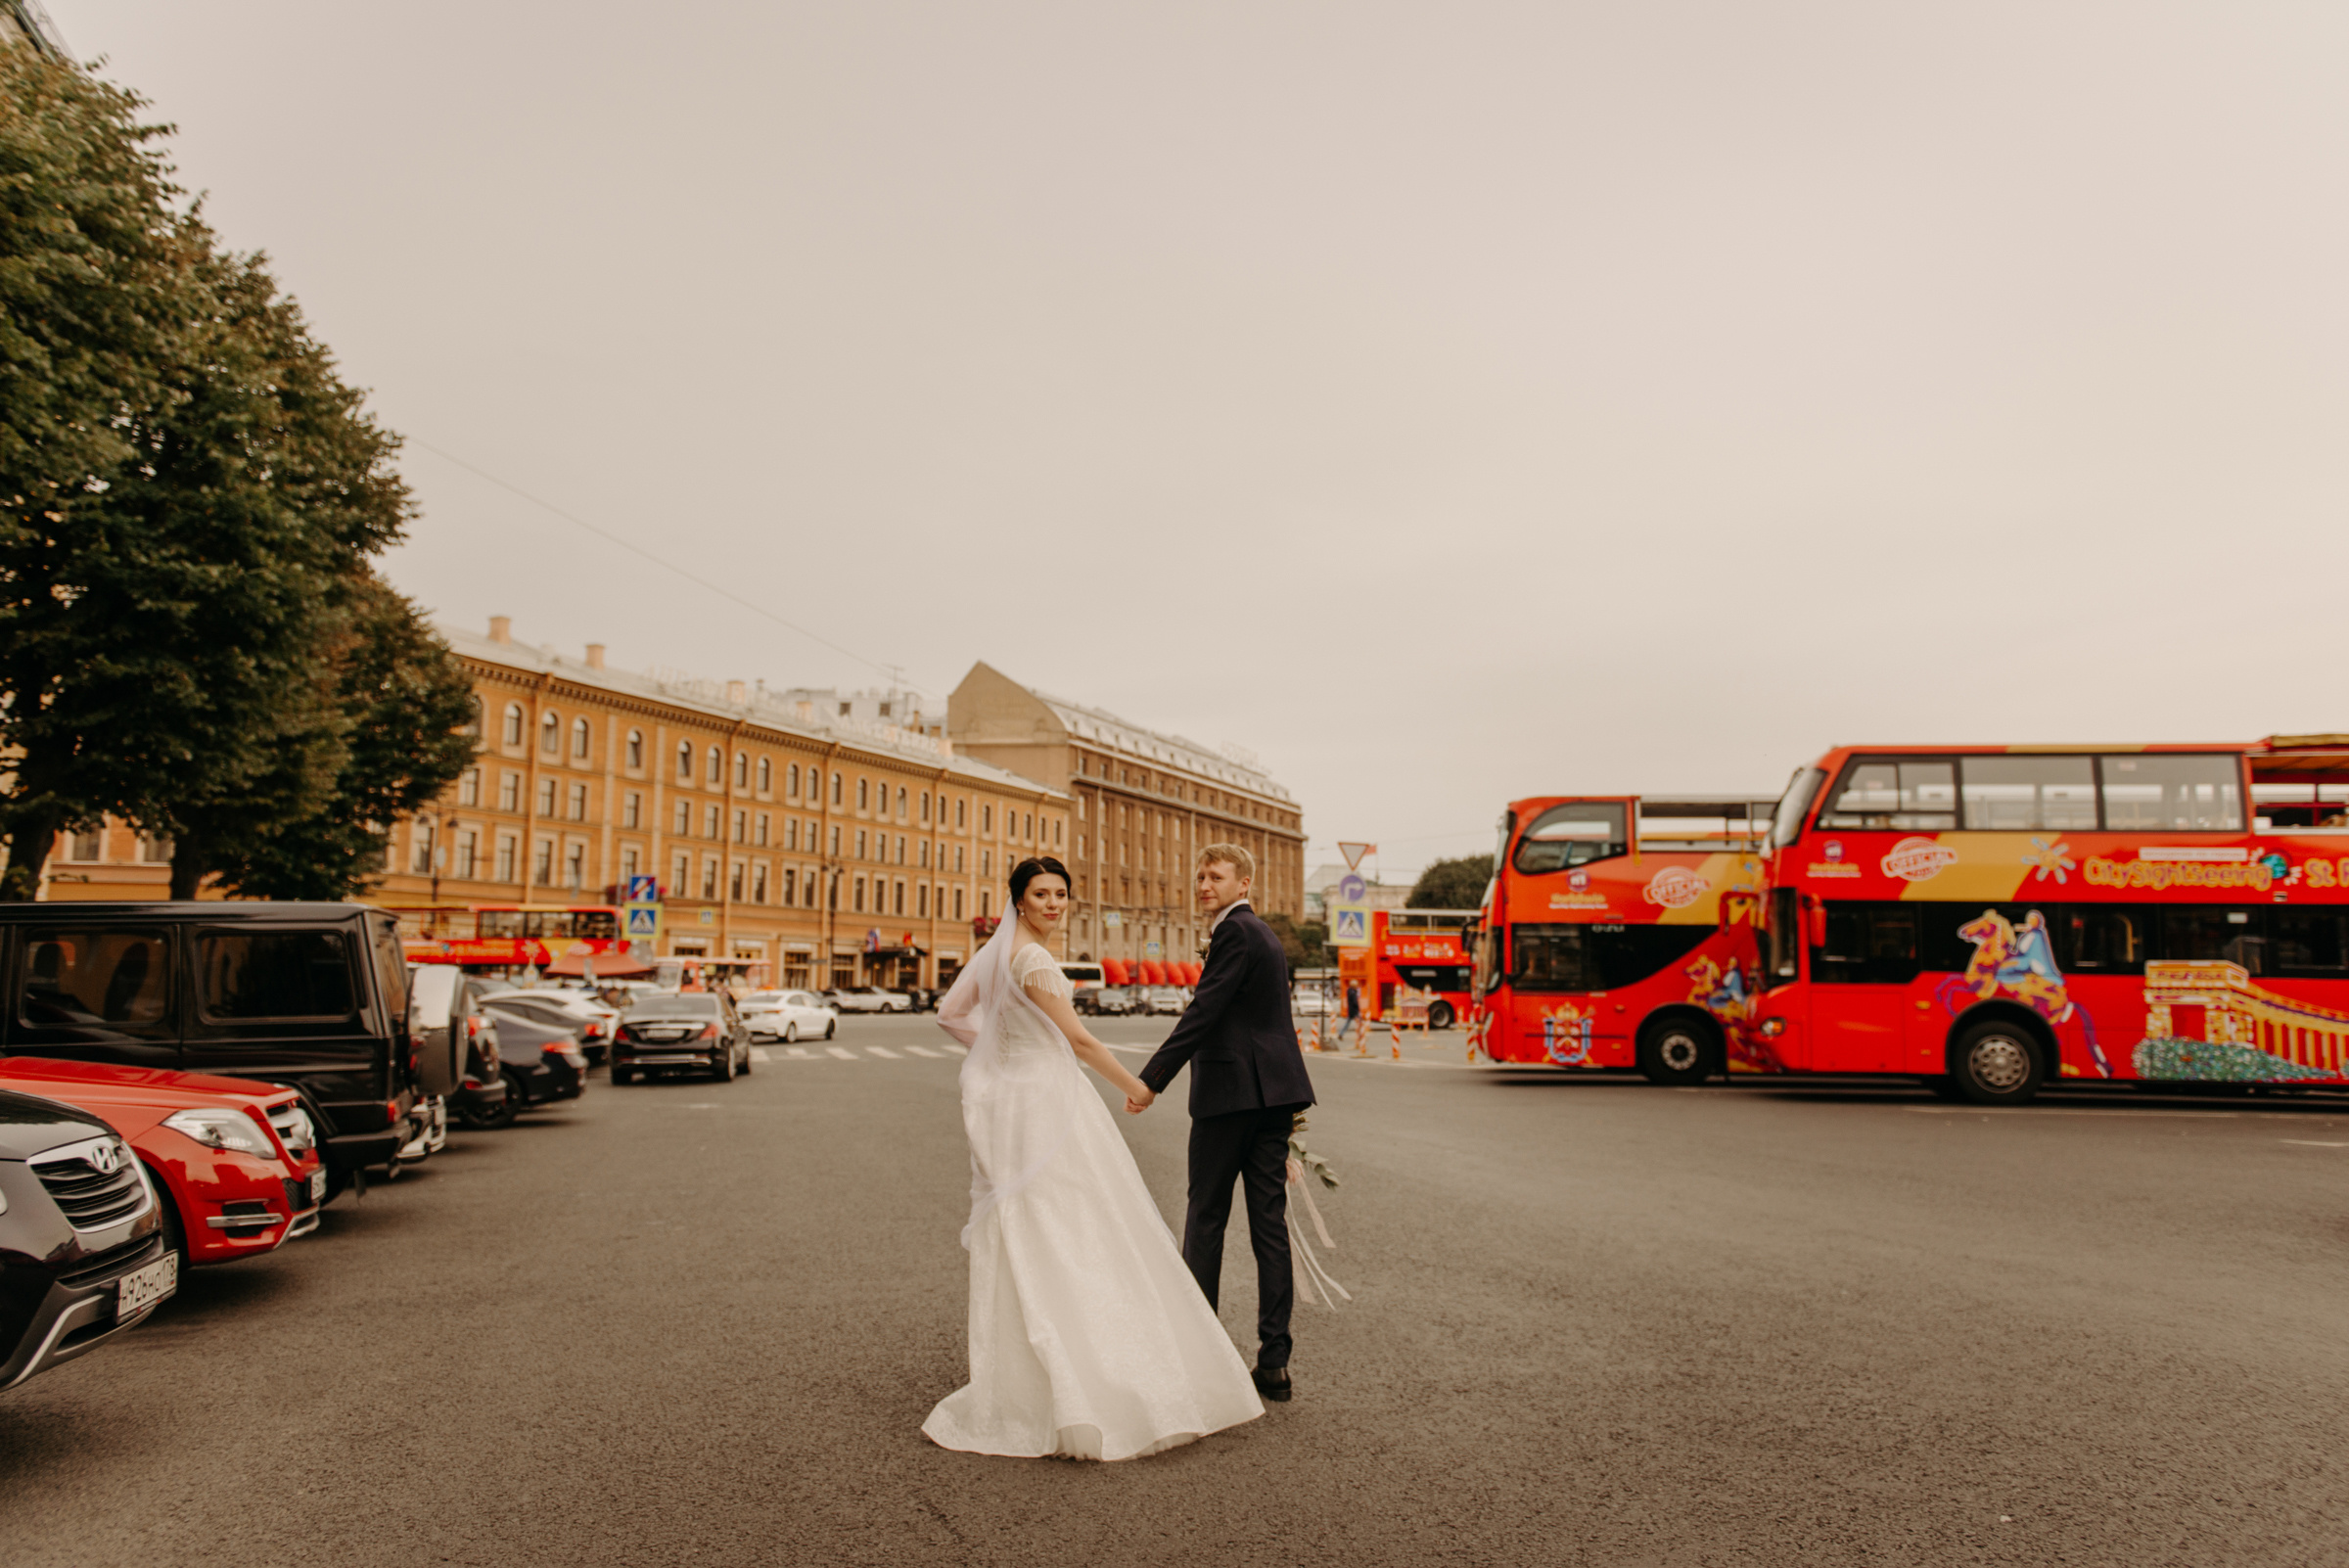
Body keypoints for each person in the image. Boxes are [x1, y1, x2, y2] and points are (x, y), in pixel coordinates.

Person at [923, 856, 1263, 1461]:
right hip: (1052, 1106)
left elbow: (951, 1015)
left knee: (1029, 1226)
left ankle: (1028, 1377)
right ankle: (1093, 1371)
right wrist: (1135, 1085)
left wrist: (1004, 1057)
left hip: (1009, 1107)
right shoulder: (1031, 958)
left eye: (1061, 894)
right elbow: (1078, 1039)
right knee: (1085, 1223)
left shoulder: (995, 953)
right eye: (1041, 894)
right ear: (1018, 902)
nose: (1053, 904)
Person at [1133, 844, 1317, 1404]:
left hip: (1229, 1098)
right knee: (1268, 1228)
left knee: (1206, 1218)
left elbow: (1204, 1011)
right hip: (1273, 1097)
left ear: (1244, 884)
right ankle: (1275, 1362)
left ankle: (1200, 1352)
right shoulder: (1264, 935)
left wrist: (1152, 1078)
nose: (1203, 884)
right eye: (1200, 875)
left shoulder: (1234, 933)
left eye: (1215, 876)